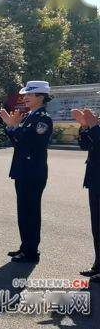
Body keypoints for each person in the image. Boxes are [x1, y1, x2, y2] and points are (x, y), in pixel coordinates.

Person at [0, 80, 53, 263]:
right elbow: (18, 143)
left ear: (40, 96)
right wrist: (13, 127)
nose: (25, 98)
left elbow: (30, 144)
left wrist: (14, 127)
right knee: (23, 211)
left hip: (33, 172)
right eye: (26, 94)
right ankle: (25, 247)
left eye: (30, 95)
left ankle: (31, 251)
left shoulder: (43, 119)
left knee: (30, 212)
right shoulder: (30, 116)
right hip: (23, 170)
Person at [72, 107, 100, 282]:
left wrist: (94, 127)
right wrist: (84, 127)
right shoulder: (96, 122)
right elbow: (86, 145)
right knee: (96, 225)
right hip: (95, 180)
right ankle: (98, 265)